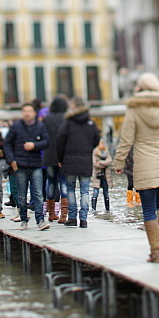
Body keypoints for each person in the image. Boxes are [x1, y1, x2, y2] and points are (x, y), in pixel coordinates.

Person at [113, 72, 159, 262]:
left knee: (148, 209)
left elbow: (126, 140)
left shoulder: (134, 110)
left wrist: (118, 163)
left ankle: (156, 251)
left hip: (144, 162)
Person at [3, 103, 50, 231]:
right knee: (22, 195)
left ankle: (40, 220)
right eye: (24, 111)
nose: (27, 113)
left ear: (34, 113)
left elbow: (47, 142)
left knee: (38, 194)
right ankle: (24, 219)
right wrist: (11, 160)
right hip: (20, 165)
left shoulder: (40, 126)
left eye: (29, 111)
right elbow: (7, 143)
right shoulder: (16, 126)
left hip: (36, 164)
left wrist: (34, 145)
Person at [56, 97, 101, 228]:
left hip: (69, 161)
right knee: (85, 190)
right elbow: (96, 140)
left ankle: (72, 217)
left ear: (74, 107)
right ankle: (83, 219)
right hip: (85, 161)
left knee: (70, 189)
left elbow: (60, 142)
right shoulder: (91, 123)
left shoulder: (68, 123)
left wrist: (60, 159)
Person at [42, 95, 69, 223]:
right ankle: (63, 215)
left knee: (51, 183)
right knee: (64, 184)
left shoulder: (46, 119)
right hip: (64, 156)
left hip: (49, 156)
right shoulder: (66, 118)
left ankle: (51, 213)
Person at [91, 138, 112, 213]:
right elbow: (95, 164)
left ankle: (107, 209)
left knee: (106, 193)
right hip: (97, 176)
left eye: (103, 143)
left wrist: (101, 162)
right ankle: (93, 209)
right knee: (95, 192)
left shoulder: (106, 152)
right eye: (101, 143)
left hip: (105, 177)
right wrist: (104, 164)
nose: (102, 145)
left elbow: (109, 161)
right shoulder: (95, 152)